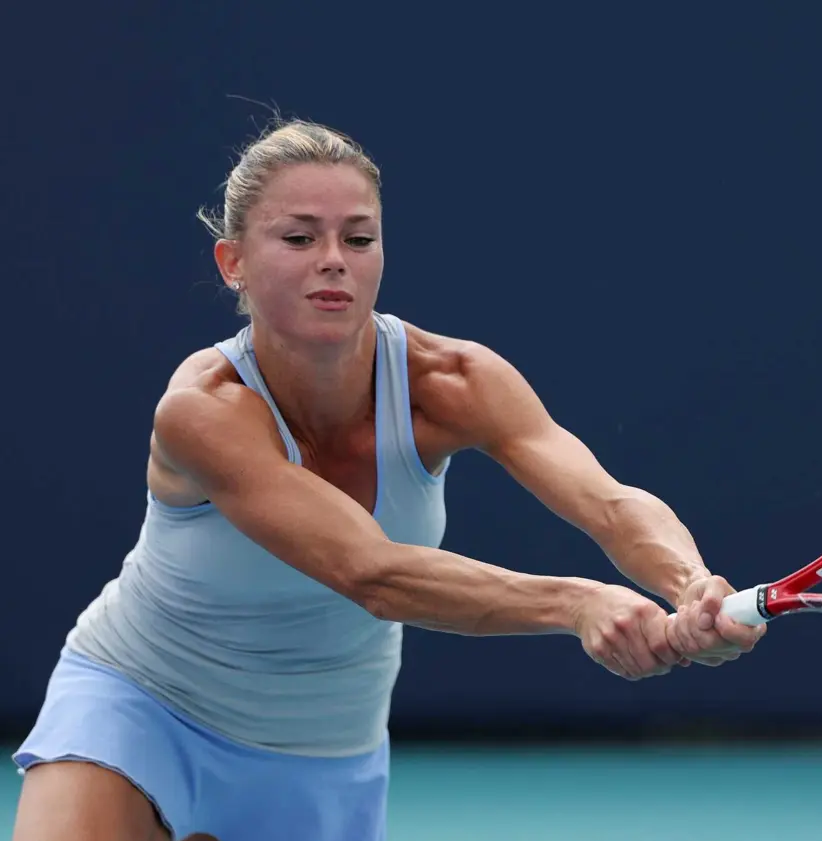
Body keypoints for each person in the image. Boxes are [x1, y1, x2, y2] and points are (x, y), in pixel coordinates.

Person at [10, 119, 765, 841]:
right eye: (299, 237)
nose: (333, 258)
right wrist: (579, 602)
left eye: (358, 237)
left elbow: (607, 502)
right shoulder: (203, 411)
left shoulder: (455, 380)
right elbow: (370, 573)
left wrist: (690, 582)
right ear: (233, 261)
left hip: (322, 753)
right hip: (143, 703)